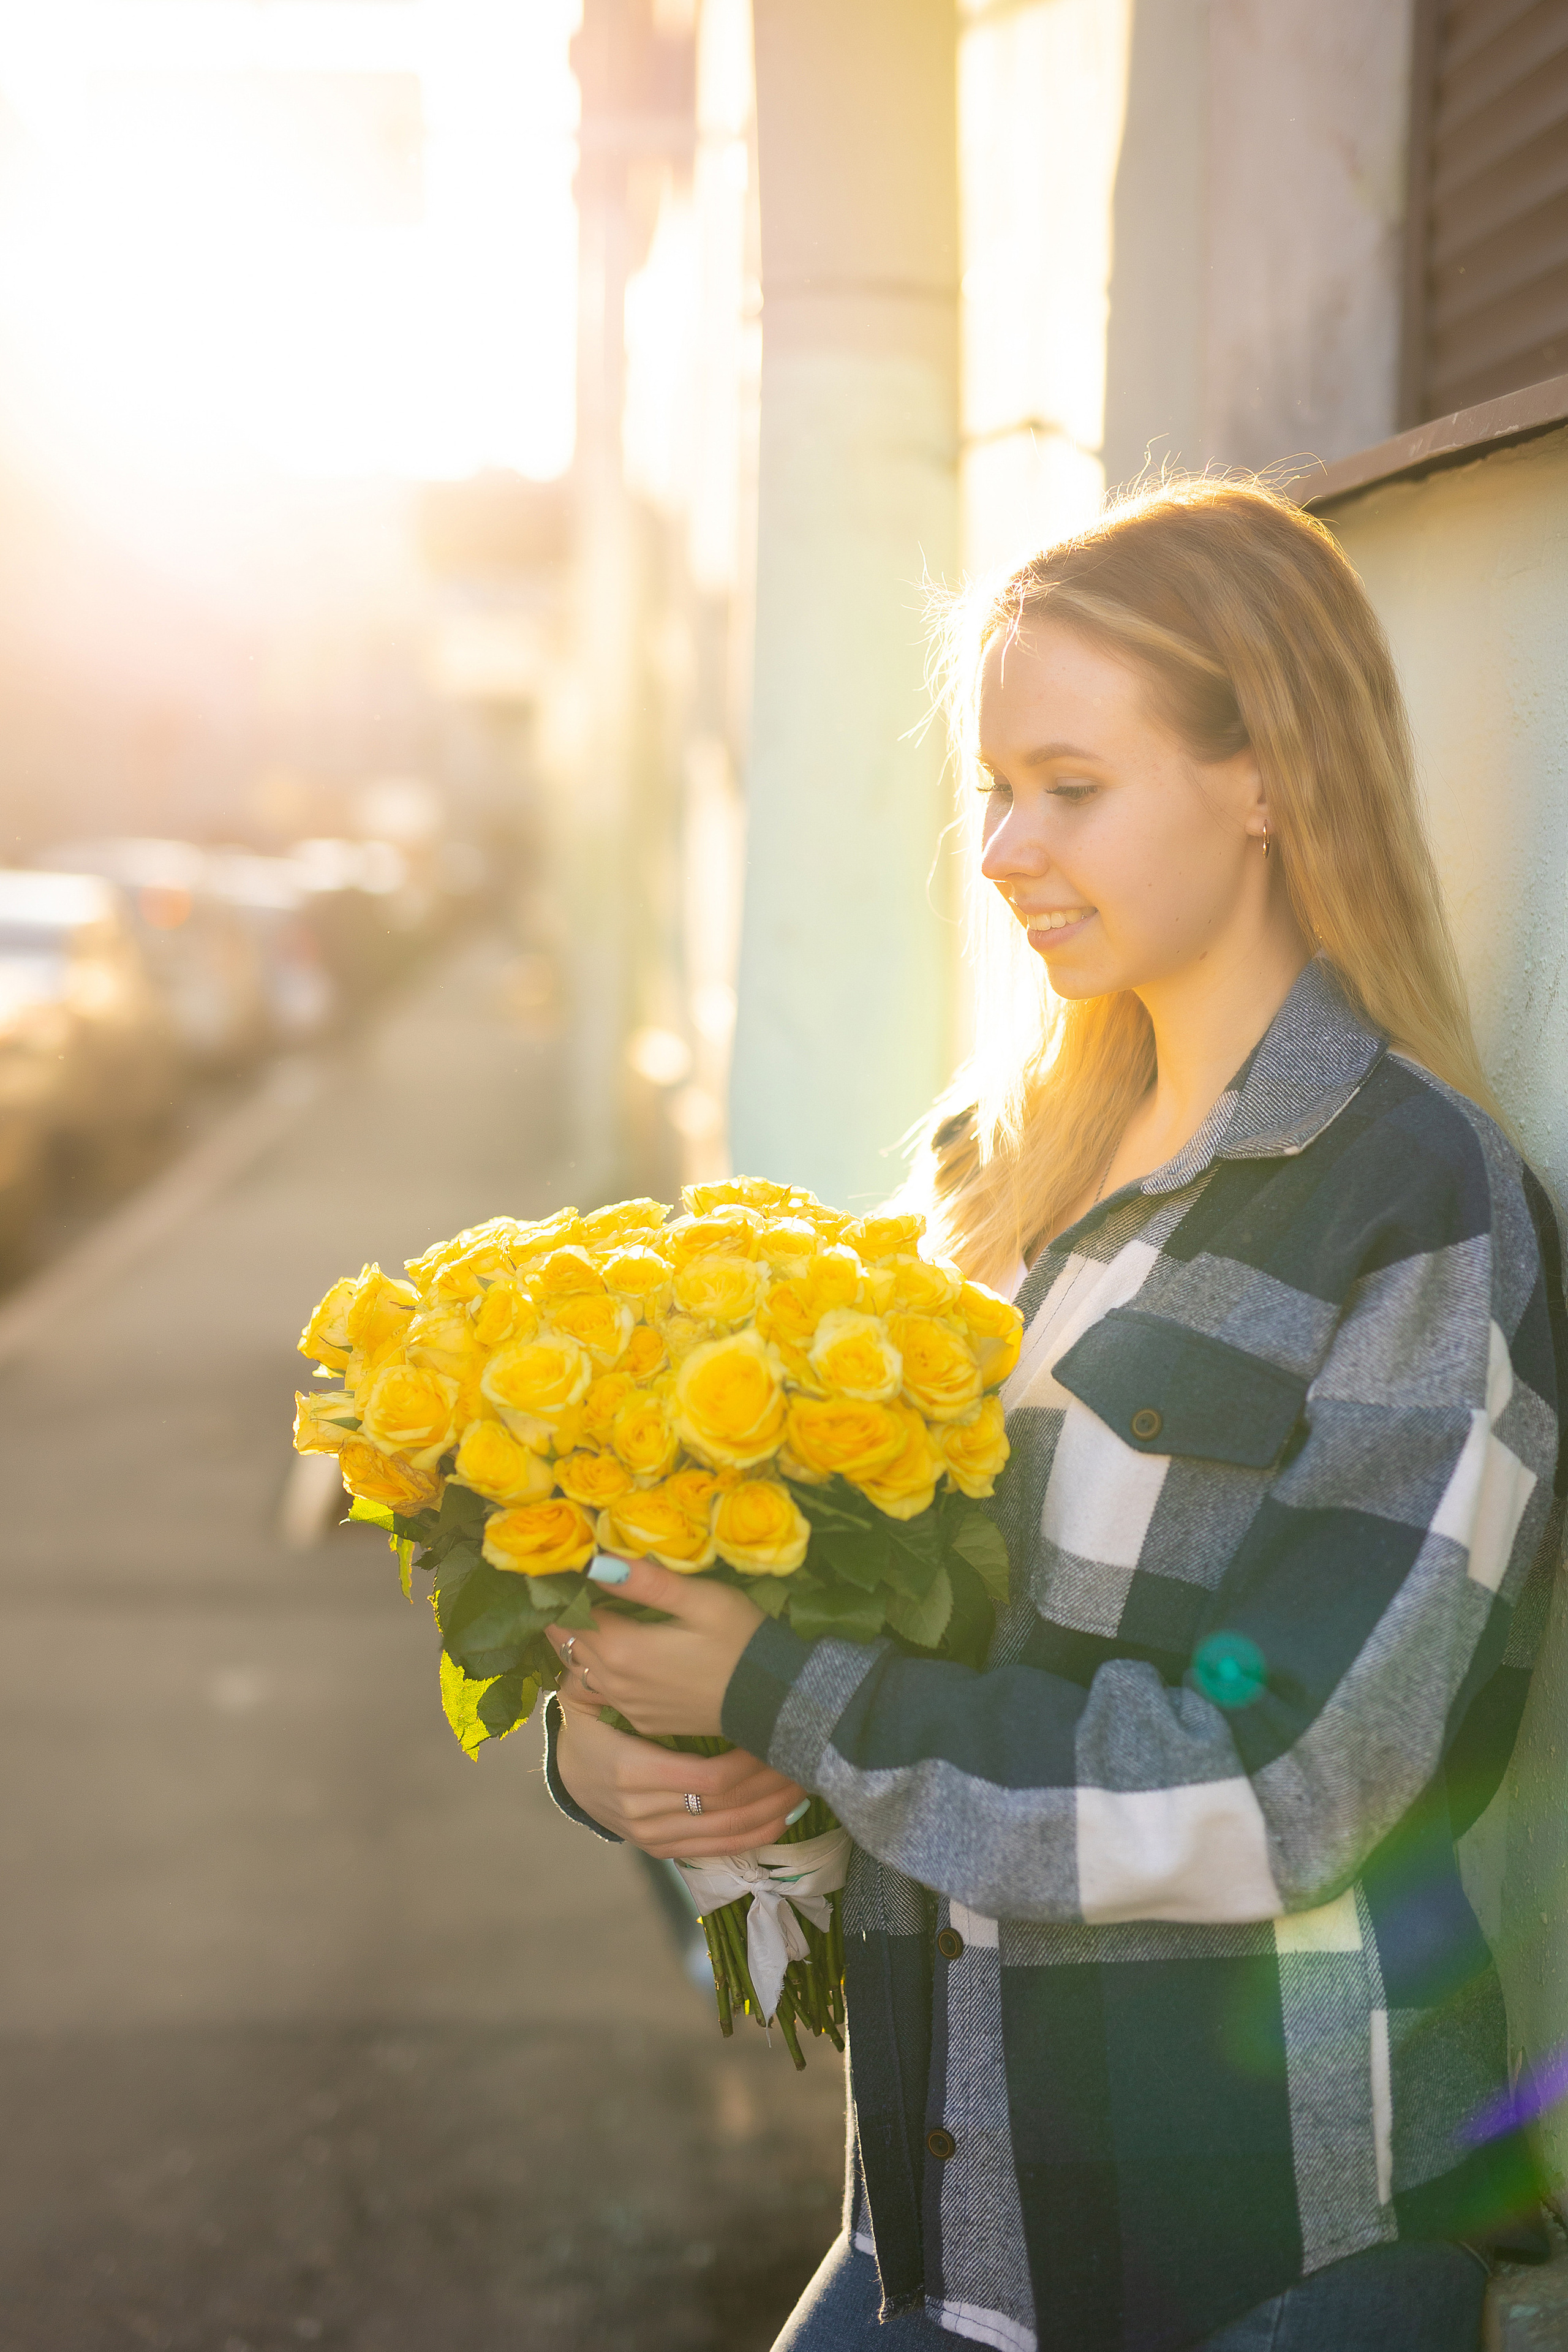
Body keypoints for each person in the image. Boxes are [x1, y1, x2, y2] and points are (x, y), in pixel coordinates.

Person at [543, 480, 1567, 2352]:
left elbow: (1291, 1788)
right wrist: (651, 1753)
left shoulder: (1418, 1210)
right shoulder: (992, 1171)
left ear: (1269, 777)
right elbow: (888, 1673)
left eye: (1071, 788)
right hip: (935, 2236)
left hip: (1270, 2253)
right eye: (995, 788)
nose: (1008, 847)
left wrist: (783, 1694)